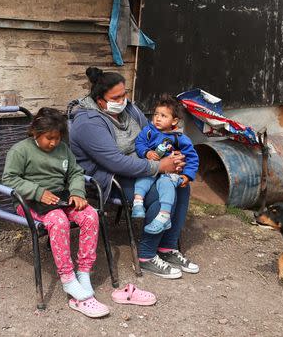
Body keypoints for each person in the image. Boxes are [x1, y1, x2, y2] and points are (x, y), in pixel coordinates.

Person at [69, 67, 199, 279]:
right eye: (116, 97)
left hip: (141, 165)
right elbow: (115, 162)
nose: (123, 100)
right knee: (158, 193)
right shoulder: (88, 122)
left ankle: (166, 247)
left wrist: (173, 155)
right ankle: (147, 255)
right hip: (107, 177)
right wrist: (160, 166)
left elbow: (152, 134)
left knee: (181, 185)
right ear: (100, 100)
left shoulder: (128, 110)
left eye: (124, 94)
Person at [1, 107, 110, 318]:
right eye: (49, 138)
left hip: (60, 198)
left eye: (57, 138)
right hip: (30, 202)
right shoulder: (19, 151)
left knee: (90, 215)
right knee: (58, 221)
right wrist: (38, 192)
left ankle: (84, 271)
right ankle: (68, 279)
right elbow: (9, 179)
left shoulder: (63, 149)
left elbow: (76, 172)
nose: (53, 143)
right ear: (34, 132)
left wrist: (77, 192)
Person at [132, 95, 199, 235]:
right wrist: (146, 152)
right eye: (156, 114)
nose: (157, 118)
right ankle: (138, 203)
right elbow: (139, 143)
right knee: (143, 178)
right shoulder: (148, 131)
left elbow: (192, 157)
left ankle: (164, 216)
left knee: (167, 185)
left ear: (174, 121)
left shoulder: (179, 138)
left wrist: (188, 175)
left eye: (163, 116)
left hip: (170, 173)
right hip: (153, 167)